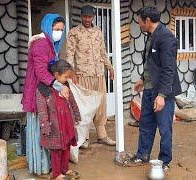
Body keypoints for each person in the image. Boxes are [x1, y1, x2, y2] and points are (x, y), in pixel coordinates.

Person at [128, 7, 182, 171]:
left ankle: (164, 161)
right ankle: (143, 154)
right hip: (150, 90)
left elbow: (168, 69)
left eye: (140, 20)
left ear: (147, 21)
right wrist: (142, 80)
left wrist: (162, 95)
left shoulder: (166, 38)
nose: (139, 24)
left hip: (161, 92)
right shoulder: (151, 36)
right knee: (146, 124)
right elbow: (152, 63)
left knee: (164, 128)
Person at [21, 13, 69, 175]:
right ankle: (40, 166)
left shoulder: (51, 45)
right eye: (56, 29)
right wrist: (58, 86)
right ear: (48, 27)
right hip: (38, 92)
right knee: (41, 128)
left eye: (62, 30)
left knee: (49, 128)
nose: (59, 33)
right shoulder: (41, 44)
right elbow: (41, 72)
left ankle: (49, 164)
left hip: (45, 90)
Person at [66, 5, 116, 147]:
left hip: (98, 74)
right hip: (82, 74)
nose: (87, 19)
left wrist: (110, 67)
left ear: (93, 17)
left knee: (101, 105)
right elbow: (70, 54)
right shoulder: (74, 33)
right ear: (81, 16)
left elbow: (102, 52)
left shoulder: (98, 32)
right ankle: (84, 138)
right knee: (84, 107)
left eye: (90, 17)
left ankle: (102, 135)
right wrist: (71, 73)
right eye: (85, 17)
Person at [37, 60, 81, 180]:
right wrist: (45, 125)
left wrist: (77, 115)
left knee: (66, 146)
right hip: (55, 125)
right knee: (56, 150)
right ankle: (56, 174)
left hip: (66, 122)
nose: (67, 79)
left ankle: (65, 169)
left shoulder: (65, 86)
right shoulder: (43, 89)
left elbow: (72, 101)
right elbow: (42, 109)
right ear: (56, 75)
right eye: (65, 76)